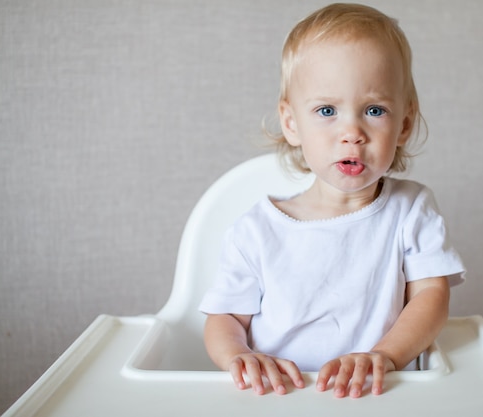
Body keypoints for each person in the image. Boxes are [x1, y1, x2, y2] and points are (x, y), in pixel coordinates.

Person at [199, 3, 465, 399]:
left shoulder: (411, 210)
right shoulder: (256, 230)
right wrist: (238, 354)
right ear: (291, 123)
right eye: (327, 110)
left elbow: (431, 297)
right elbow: (225, 317)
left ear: (404, 124)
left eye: (375, 110)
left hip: (380, 395)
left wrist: (384, 356)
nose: (352, 132)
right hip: (279, 398)